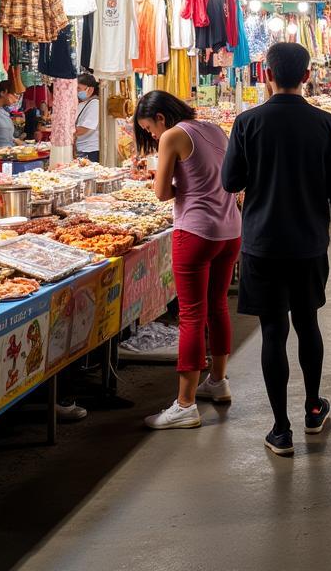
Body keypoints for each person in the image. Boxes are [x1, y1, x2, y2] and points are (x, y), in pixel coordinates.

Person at [221, 43, 331, 456]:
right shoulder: (326, 123)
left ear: (266, 74)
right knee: (308, 323)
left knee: (273, 332)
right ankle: (313, 409)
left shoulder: (247, 122)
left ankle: (281, 429)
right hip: (310, 240)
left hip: (262, 242)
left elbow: (230, 182)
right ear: (308, 74)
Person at [134, 91, 242, 430]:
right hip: (230, 231)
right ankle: (218, 380)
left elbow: (162, 192)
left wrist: (165, 176)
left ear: (161, 119)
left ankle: (184, 403)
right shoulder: (213, 128)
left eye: (149, 128)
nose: (152, 136)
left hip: (195, 232)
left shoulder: (173, 135)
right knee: (217, 306)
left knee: (191, 315)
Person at [74, 74, 101, 161]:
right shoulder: (82, 103)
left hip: (90, 151)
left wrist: (67, 134)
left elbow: (84, 128)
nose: (76, 91)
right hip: (82, 149)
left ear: (90, 89)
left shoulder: (95, 104)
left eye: (78, 88)